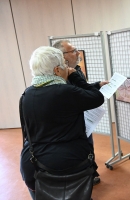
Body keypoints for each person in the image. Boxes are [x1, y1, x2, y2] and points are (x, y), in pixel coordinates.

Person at [20, 46, 104, 199]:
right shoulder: (65, 92)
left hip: (33, 165)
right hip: (69, 163)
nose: (67, 68)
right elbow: (97, 97)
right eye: (64, 65)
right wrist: (75, 76)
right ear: (57, 70)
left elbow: (27, 132)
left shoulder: (26, 94)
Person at [53, 40, 108, 185]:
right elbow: (77, 95)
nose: (78, 53)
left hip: (84, 118)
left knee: (88, 145)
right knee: (80, 148)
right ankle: (83, 177)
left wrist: (97, 84)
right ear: (62, 56)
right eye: (73, 50)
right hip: (72, 123)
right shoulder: (60, 79)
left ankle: (90, 171)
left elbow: (83, 89)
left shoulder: (76, 70)